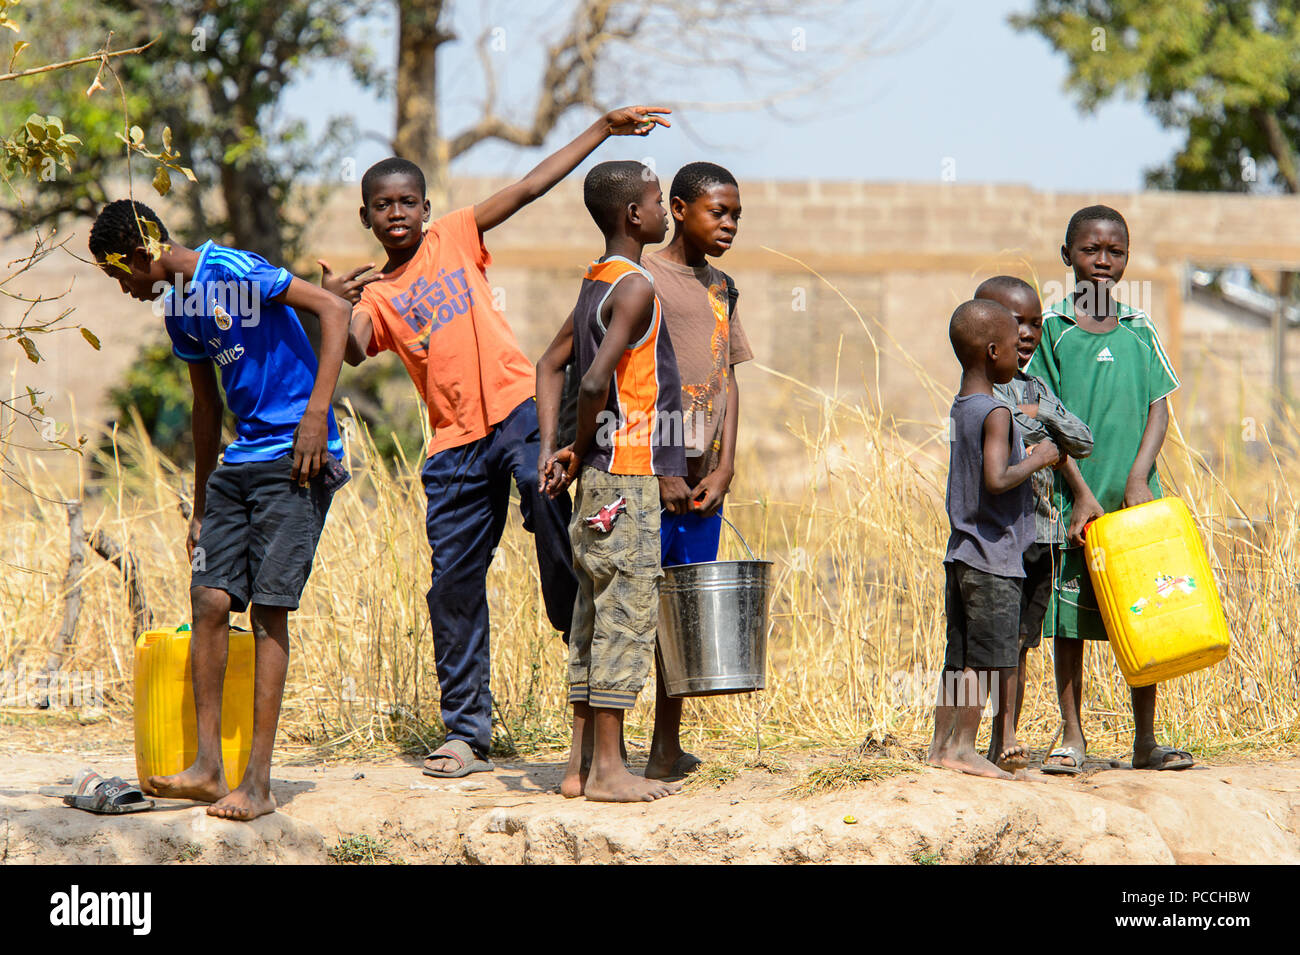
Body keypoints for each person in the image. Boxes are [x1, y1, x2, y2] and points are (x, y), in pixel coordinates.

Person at [321, 106, 671, 779]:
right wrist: (330, 305)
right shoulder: (378, 295)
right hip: (453, 446)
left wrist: (601, 128)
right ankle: (466, 733)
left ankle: (578, 646)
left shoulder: (455, 235)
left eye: (407, 202)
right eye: (381, 206)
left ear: (427, 208)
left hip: (515, 412)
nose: (396, 214)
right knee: (451, 584)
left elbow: (533, 185)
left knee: (553, 514)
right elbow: (353, 348)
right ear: (366, 217)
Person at [89, 198, 351, 820]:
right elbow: (206, 409)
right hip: (240, 462)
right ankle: (210, 769)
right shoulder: (179, 308)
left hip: (297, 453)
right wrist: (202, 503)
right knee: (208, 598)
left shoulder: (230, 269)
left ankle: (257, 783)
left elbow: (334, 308)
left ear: (140, 253)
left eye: (119, 273)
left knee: (269, 610)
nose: (124, 288)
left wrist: (315, 416)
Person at [538, 160, 688, 801]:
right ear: (635, 215)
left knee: (591, 617)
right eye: (658, 200)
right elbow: (594, 381)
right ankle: (608, 771)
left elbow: (549, 365)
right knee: (626, 616)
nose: (663, 210)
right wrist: (577, 444)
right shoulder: (636, 289)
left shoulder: (593, 283)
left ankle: (575, 769)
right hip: (626, 476)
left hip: (596, 483)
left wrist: (558, 450)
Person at [1026, 205, 1192, 774]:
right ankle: (1072, 737)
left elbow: (1157, 408)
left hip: (1132, 499)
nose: (1103, 261)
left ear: (1127, 258)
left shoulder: (1140, 329)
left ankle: (1145, 740)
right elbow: (1046, 415)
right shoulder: (1051, 328)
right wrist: (1081, 494)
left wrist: (1139, 476)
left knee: (1147, 614)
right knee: (1067, 621)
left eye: (1115, 251)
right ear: (1066, 254)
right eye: (1091, 249)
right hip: (1079, 501)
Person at [641, 161, 752, 781]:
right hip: (650, 470)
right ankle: (595, 751)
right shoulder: (645, 277)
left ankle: (665, 745)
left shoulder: (723, 287)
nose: (730, 224)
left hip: (702, 476)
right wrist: (660, 468)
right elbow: (630, 382)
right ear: (678, 209)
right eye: (718, 211)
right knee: (630, 605)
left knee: (683, 609)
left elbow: (729, 379)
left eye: (736, 214)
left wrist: (727, 463)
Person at [928, 299, 1059, 779]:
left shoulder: (962, 406)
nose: (1019, 353)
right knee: (986, 660)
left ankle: (941, 747)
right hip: (994, 558)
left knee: (958, 658)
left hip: (961, 554)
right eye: (1010, 346)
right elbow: (998, 479)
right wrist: (1041, 458)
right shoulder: (998, 412)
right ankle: (964, 748)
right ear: (990, 351)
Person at [973, 276, 1093, 772]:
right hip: (995, 540)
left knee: (1020, 644)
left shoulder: (1034, 390)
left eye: (1034, 323)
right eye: (1014, 322)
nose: (1026, 333)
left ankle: (1007, 742)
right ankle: (965, 741)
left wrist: (1040, 410)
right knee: (984, 645)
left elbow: (1081, 441)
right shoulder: (977, 394)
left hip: (1040, 538)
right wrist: (1038, 437)